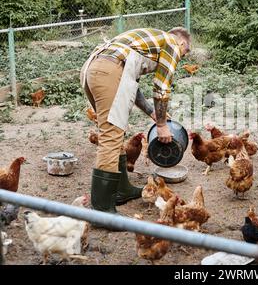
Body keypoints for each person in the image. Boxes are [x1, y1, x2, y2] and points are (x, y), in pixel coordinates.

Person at [80, 27, 191, 213]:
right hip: (109, 71)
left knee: (115, 131)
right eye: (185, 52)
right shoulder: (172, 42)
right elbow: (162, 86)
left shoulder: (149, 41)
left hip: (95, 68)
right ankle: (102, 210)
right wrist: (162, 125)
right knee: (110, 136)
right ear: (182, 43)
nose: (182, 57)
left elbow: (131, 83)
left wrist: (152, 112)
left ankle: (121, 189)